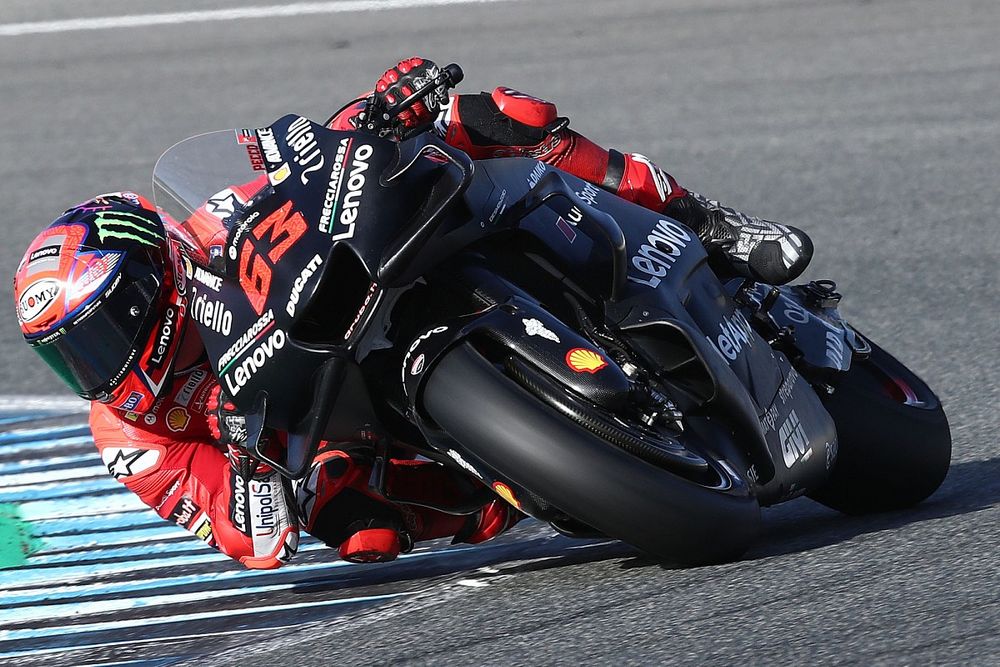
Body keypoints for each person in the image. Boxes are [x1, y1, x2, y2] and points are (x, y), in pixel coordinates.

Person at [12, 58, 812, 569]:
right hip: (341, 419)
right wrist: (255, 463)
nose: (98, 369)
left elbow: (301, 151)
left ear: (153, 276)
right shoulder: (129, 434)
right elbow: (251, 540)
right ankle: (511, 473)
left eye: (103, 331)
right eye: (70, 355)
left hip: (375, 273)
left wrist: (377, 111)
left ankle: (709, 221)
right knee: (352, 521)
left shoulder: (213, 221)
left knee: (496, 115)